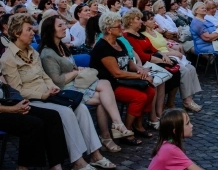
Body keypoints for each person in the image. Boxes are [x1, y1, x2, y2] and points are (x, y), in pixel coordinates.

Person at [1, 13, 115, 170]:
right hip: (33, 99)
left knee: (80, 108)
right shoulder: (8, 59)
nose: (33, 32)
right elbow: (17, 90)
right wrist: (43, 94)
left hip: (48, 95)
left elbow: (44, 76)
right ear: (17, 34)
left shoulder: (32, 52)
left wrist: (51, 86)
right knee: (66, 112)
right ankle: (78, 161)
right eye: (29, 29)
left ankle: (95, 154)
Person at [39, 15, 133, 153]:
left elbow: (71, 68)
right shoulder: (48, 53)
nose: (65, 27)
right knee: (104, 97)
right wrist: (76, 72)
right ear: (50, 30)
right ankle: (111, 131)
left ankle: (113, 129)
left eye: (64, 24)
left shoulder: (62, 47)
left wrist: (75, 72)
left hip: (76, 83)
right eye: (60, 25)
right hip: (66, 89)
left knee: (105, 86)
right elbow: (57, 81)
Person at [90, 12, 155, 146]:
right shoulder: (103, 47)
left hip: (124, 80)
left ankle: (138, 124)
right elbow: (117, 73)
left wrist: (139, 69)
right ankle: (127, 130)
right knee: (139, 97)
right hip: (110, 84)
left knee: (150, 92)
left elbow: (128, 62)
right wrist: (140, 76)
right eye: (118, 26)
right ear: (109, 30)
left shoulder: (119, 41)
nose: (122, 28)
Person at [0, 76, 67, 170]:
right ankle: (22, 168)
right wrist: (13, 109)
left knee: (52, 116)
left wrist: (16, 101)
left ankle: (56, 166)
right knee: (33, 124)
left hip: (6, 103)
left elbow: (5, 86)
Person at [141, 10, 202, 112]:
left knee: (191, 68)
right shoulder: (145, 35)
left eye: (153, 18)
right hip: (162, 57)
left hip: (169, 54)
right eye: (151, 19)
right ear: (144, 22)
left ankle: (190, 97)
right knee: (184, 71)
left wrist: (174, 51)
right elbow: (156, 51)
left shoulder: (156, 32)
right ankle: (187, 100)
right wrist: (172, 53)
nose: (154, 21)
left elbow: (164, 45)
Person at [123, 9, 181, 111]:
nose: (141, 21)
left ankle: (161, 109)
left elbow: (153, 49)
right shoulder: (127, 35)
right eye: (138, 19)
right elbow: (142, 56)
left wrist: (164, 56)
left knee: (175, 70)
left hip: (153, 60)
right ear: (130, 21)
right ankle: (155, 113)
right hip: (143, 64)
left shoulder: (139, 34)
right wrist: (162, 61)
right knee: (165, 71)